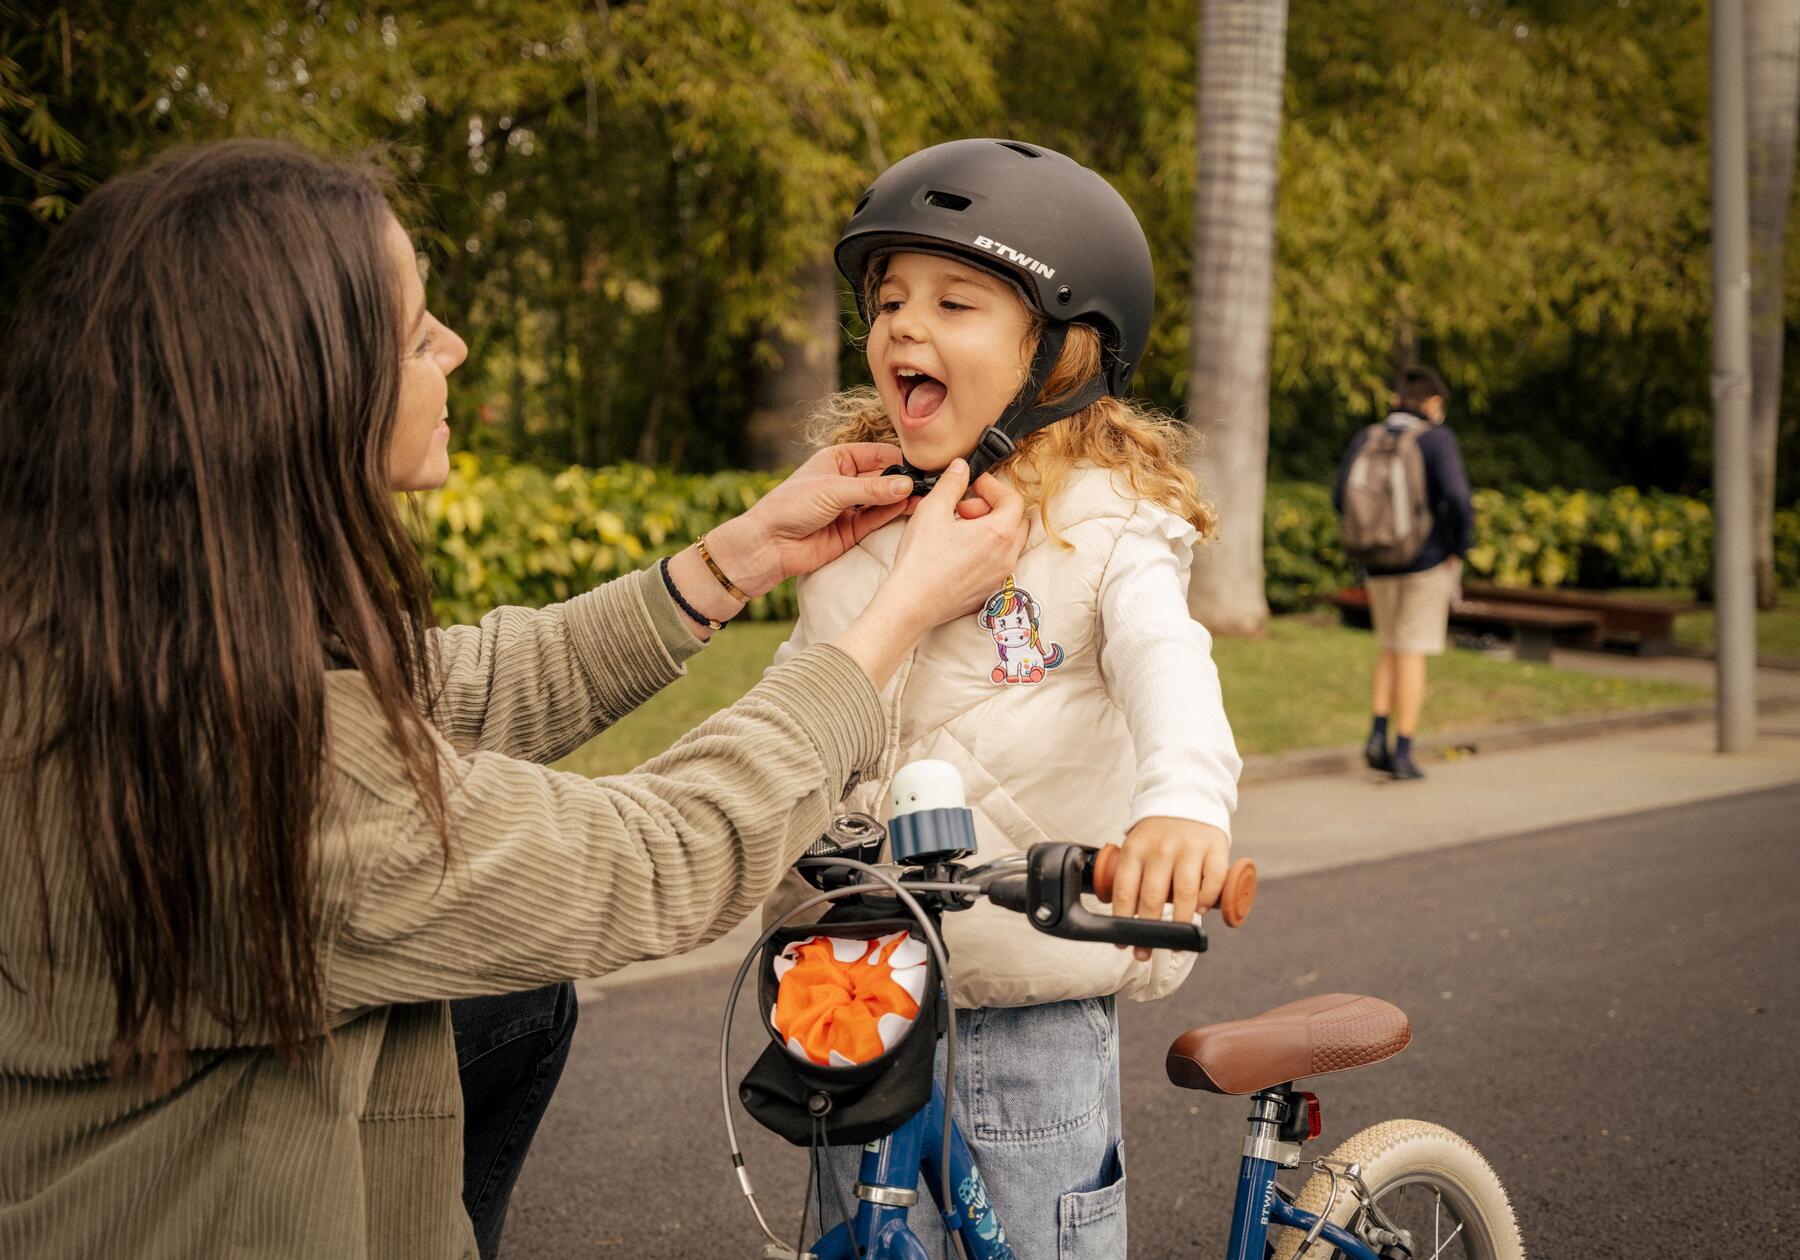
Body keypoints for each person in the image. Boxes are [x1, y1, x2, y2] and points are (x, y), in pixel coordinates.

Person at [0, 140, 1029, 1260]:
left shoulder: (110, 639)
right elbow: (661, 856)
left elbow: (451, 690)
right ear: (291, 398)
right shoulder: (267, 788)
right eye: (413, 332)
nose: (455, 346)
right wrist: (888, 628)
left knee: (519, 1003)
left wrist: (728, 564)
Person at [766, 138, 1243, 1258]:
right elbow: (799, 698)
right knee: (861, 1235)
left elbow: (1169, 660)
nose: (902, 326)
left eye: (956, 301)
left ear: (1065, 355)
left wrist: (1181, 806)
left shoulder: (1104, 522)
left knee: (1038, 1239)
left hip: (1024, 989)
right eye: (888, 300)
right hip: (859, 975)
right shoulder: (855, 514)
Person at [1331, 365, 1475, 781]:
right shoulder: (1437, 440)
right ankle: (1404, 751)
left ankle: (1377, 734)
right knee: (1413, 650)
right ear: (1432, 403)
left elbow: (1341, 495)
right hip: (1424, 562)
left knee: (1390, 646)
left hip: (1377, 562)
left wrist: (1372, 540)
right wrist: (1456, 547)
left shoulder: (1368, 437)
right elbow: (1458, 497)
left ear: (1398, 400)